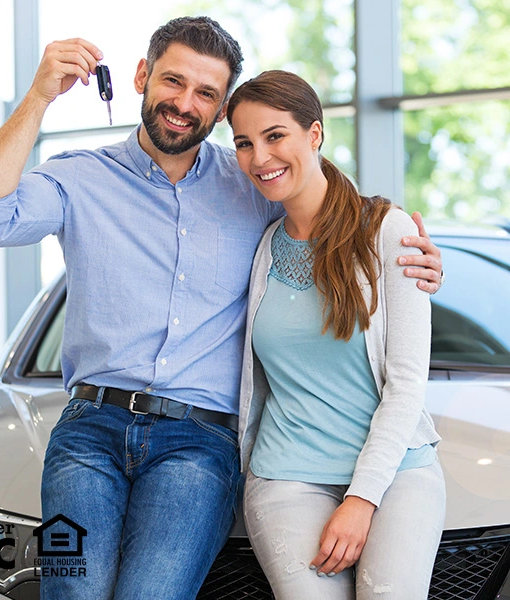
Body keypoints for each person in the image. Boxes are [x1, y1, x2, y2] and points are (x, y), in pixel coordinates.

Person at [0, 17, 443, 600]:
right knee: (72, 594)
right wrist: (38, 98)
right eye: (173, 81)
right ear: (141, 76)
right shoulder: (78, 180)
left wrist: (410, 255)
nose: (185, 103)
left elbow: (332, 229)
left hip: (198, 442)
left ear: (220, 106)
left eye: (206, 93)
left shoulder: (252, 187)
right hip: (86, 435)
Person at [227, 70, 446, 600]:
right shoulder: (258, 247)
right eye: (244, 143)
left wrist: (362, 499)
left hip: (397, 474)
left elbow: (407, 382)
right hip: (285, 475)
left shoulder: (386, 231)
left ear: (315, 134)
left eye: (275, 136)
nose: (260, 157)